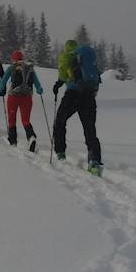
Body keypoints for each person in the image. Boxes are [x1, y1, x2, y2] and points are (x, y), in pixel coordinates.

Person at [52, 43, 104, 175]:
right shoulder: (87, 58)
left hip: (72, 95)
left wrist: (59, 82)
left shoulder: (68, 56)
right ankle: (94, 161)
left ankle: (60, 153)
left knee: (60, 121)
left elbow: (64, 73)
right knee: (89, 129)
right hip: (89, 95)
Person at [0, 50, 44, 151]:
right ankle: (31, 137)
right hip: (27, 98)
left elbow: (3, 80)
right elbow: (37, 84)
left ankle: (13, 142)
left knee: (12, 120)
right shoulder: (29, 69)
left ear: (13, 58)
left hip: (13, 97)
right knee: (26, 120)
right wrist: (39, 90)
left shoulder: (12, 68)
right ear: (22, 58)